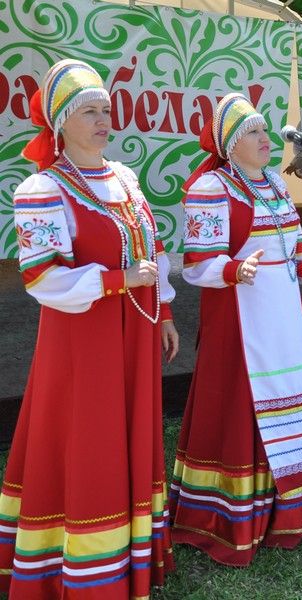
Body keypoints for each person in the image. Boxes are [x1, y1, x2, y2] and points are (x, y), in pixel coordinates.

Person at [169, 94, 302, 565]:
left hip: (283, 317)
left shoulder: (278, 188)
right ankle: (241, 514)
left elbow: (293, 257)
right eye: (255, 133)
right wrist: (233, 270)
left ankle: (299, 503)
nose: (266, 140)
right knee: (249, 405)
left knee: (295, 398)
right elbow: (197, 266)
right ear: (231, 143)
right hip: (242, 320)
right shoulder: (211, 188)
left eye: (266, 131)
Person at [1, 59, 177, 598]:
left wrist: (164, 309)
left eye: (106, 110)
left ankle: (132, 555)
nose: (104, 120)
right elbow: (43, 278)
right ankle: (80, 567)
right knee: (88, 438)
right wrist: (118, 281)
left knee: (128, 432)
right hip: (85, 342)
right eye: (88, 112)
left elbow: (151, 247)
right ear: (59, 122)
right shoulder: (41, 189)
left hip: (136, 332)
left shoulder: (124, 176)